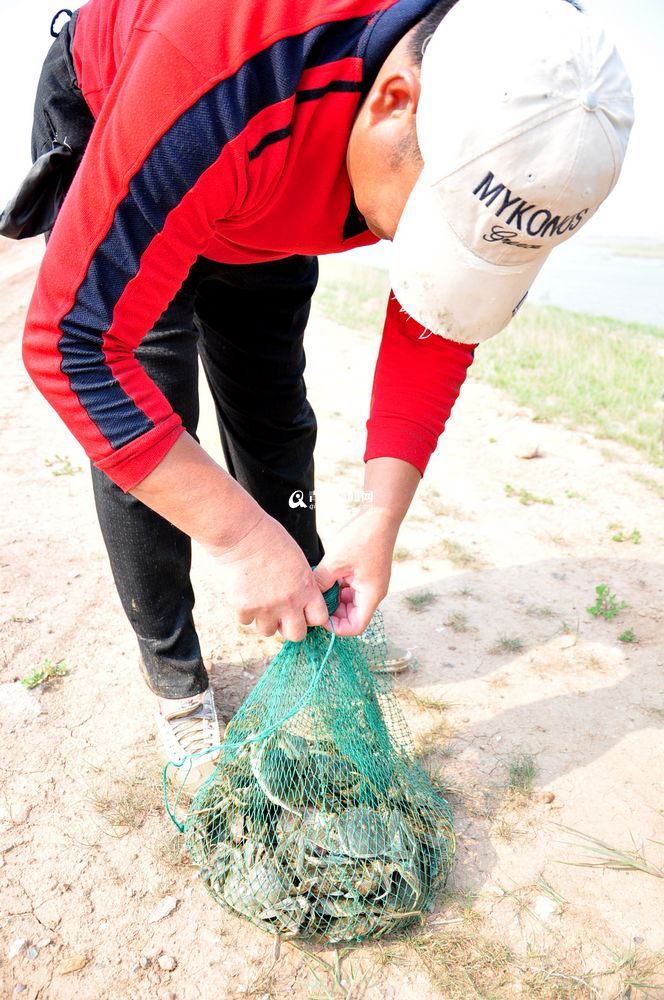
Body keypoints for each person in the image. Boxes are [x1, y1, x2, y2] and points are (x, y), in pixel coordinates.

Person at [11, 0, 632, 781]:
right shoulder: (216, 67)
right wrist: (238, 535)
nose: (420, 249)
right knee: (152, 413)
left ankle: (308, 607)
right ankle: (176, 681)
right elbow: (76, 348)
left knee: (276, 414)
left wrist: (380, 518)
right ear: (396, 100)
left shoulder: (516, 71)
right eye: (434, 225)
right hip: (149, 118)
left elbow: (441, 312)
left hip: (271, 175)